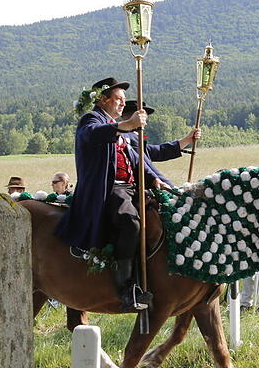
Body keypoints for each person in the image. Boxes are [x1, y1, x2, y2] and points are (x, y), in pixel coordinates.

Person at [55, 78, 199, 311]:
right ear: (103, 99)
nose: (123, 104)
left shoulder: (122, 129)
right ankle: (125, 288)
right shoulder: (91, 120)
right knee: (130, 224)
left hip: (134, 187)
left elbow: (145, 156)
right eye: (119, 99)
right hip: (111, 188)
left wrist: (157, 175)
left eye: (123, 100)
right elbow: (92, 134)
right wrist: (125, 125)